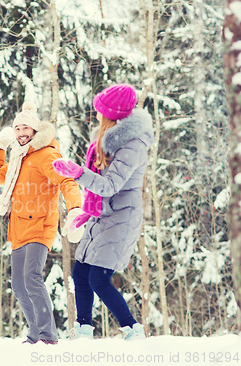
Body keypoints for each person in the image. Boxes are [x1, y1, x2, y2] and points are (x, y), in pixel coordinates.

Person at [52, 83, 154, 341]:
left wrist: (77, 173)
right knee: (80, 272)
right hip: (103, 214)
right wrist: (87, 204)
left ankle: (133, 329)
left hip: (121, 217)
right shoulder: (110, 140)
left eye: (101, 110)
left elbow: (110, 185)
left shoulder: (132, 146)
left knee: (99, 278)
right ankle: (83, 330)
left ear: (112, 114)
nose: (97, 114)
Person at [0, 102, 82, 345]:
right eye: (17, 128)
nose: (21, 132)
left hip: (41, 226)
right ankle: (34, 334)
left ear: (35, 131)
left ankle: (47, 336)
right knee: (19, 286)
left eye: (25, 128)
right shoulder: (19, 158)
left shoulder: (47, 154)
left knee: (31, 276)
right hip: (18, 227)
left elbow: (67, 181)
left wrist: (74, 209)